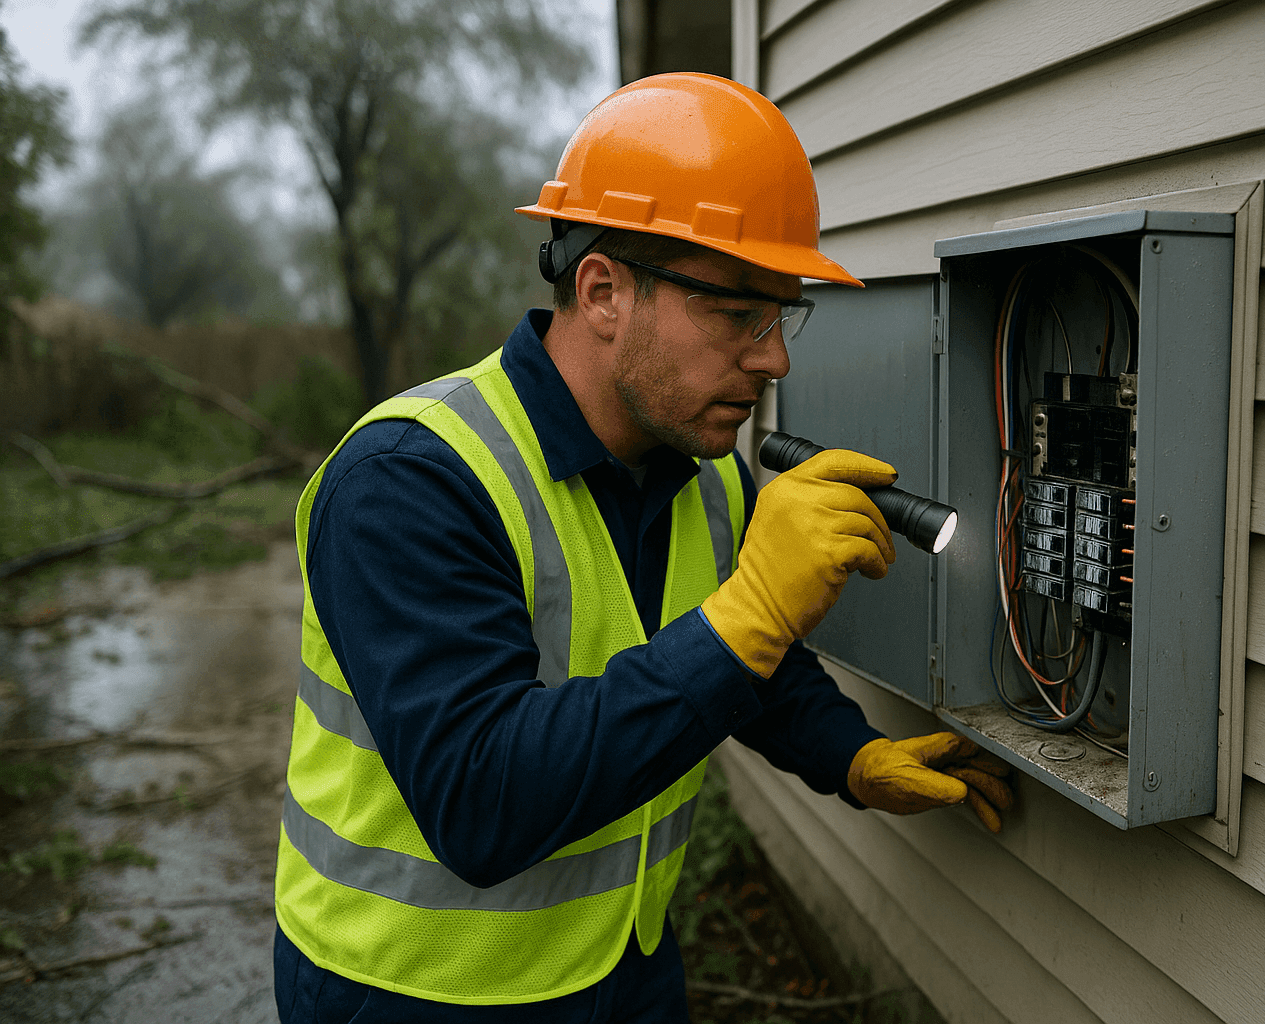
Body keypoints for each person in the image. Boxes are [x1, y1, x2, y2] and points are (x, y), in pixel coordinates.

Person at [272, 73, 1012, 1024]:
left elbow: (756, 667)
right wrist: (752, 611)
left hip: (627, 971)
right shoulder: (409, 480)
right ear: (604, 290)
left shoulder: (704, 472)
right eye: (738, 312)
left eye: (782, 314)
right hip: (412, 989)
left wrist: (852, 758)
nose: (775, 356)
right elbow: (480, 799)